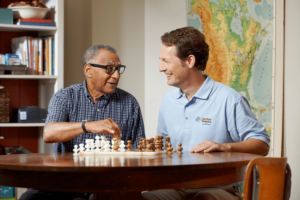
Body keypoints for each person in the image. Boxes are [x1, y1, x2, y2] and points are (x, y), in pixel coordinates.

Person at [142, 27, 270, 200]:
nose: (160, 68)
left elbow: (262, 144)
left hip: (220, 189)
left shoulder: (229, 99)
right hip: (175, 187)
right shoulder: (168, 101)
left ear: (189, 61)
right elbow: (164, 150)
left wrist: (226, 147)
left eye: (166, 61)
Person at [20, 44, 145, 200]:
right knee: (29, 198)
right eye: (109, 69)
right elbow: (49, 133)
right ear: (88, 70)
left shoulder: (130, 103)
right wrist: (87, 125)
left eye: (118, 69)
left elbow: (140, 153)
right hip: (66, 181)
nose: (116, 75)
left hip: (110, 182)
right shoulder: (65, 97)